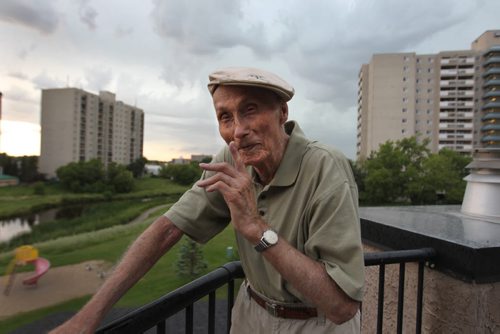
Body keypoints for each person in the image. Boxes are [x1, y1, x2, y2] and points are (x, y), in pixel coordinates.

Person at [50, 67, 365, 334]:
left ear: (282, 112)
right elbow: (168, 229)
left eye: (250, 109)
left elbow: (341, 306)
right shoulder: (232, 156)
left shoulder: (326, 167)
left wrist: (256, 229)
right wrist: (90, 316)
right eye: (225, 117)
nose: (237, 131)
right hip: (250, 313)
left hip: (316, 323)